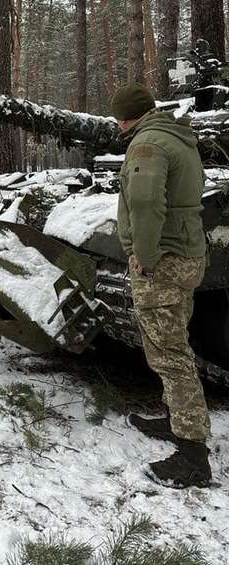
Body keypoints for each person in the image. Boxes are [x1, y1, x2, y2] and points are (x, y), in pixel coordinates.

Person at [112, 82, 211, 488]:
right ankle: (178, 419)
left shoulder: (148, 144)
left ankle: (193, 457)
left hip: (163, 260)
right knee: (174, 342)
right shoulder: (177, 136)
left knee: (169, 354)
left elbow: (146, 202)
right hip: (186, 253)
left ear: (125, 116)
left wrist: (144, 255)